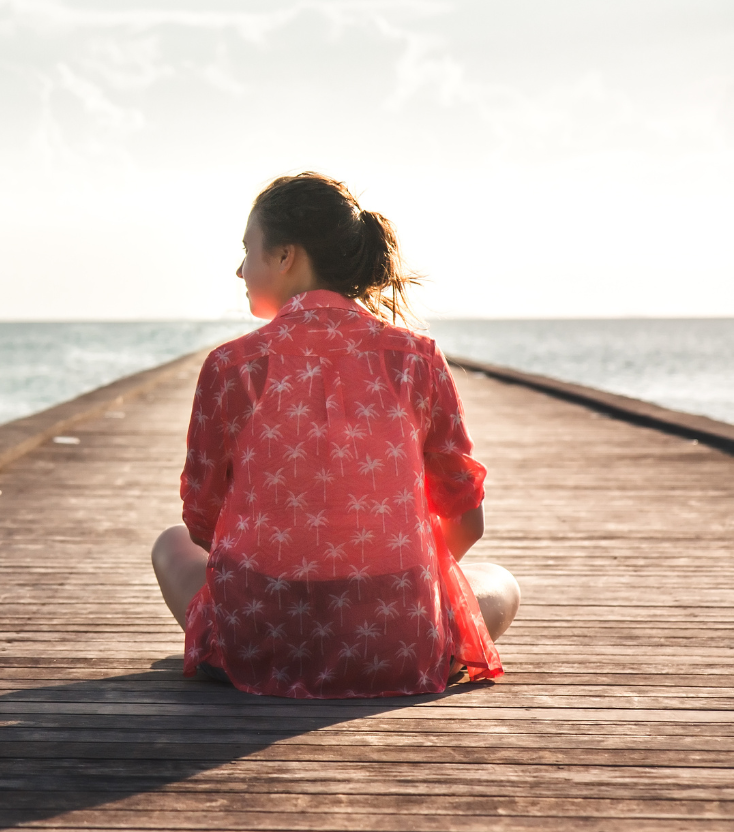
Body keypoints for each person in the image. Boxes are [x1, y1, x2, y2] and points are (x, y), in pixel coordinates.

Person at [151, 172, 520, 699]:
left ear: (285, 257)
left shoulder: (232, 365)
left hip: (263, 643)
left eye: (247, 251)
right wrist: (382, 586)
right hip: (395, 645)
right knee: (499, 583)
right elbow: (466, 519)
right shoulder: (415, 358)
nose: (239, 269)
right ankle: (399, 616)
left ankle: (251, 645)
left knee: (170, 545)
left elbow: (202, 525)